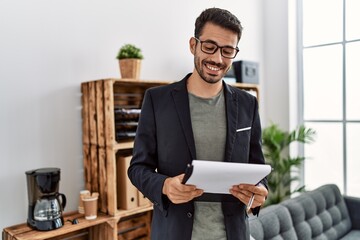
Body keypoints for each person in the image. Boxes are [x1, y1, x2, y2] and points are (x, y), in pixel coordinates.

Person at [128, 7, 268, 240]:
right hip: (175, 233)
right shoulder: (157, 100)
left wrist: (260, 190)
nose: (217, 58)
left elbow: (257, 167)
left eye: (227, 51)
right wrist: (165, 186)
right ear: (193, 45)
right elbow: (137, 169)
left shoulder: (248, 104)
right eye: (209, 47)